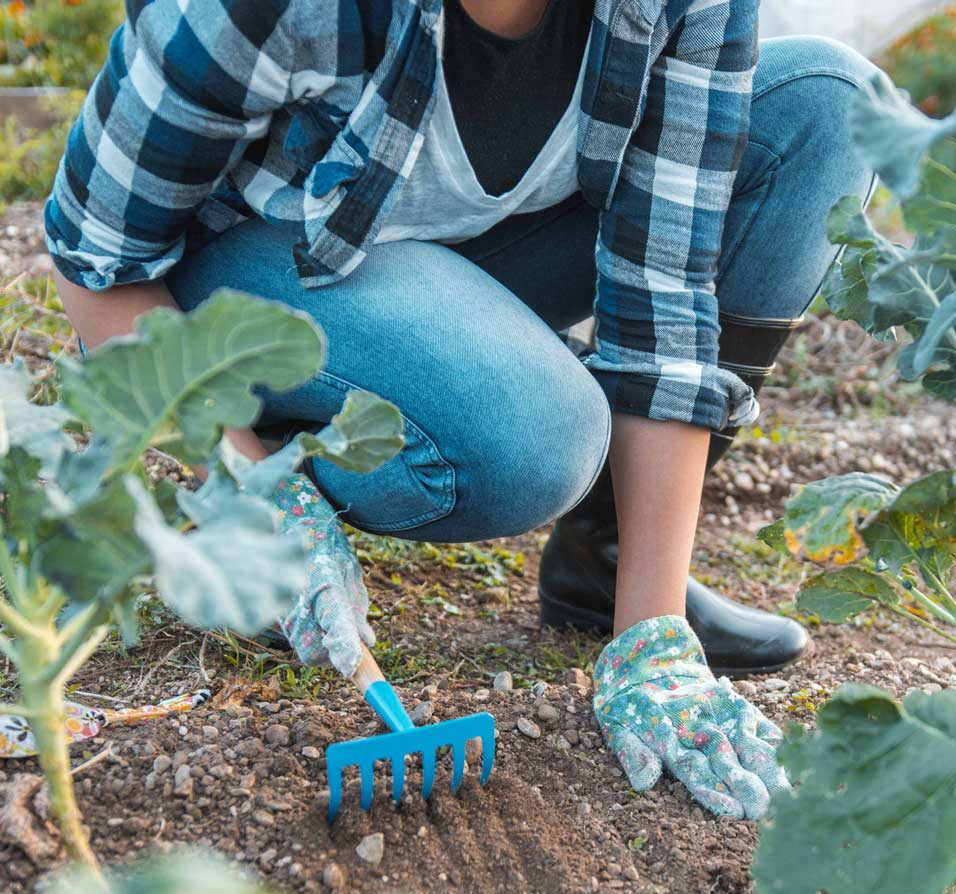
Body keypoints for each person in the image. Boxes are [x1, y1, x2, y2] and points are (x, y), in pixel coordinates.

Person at [44, 0, 879, 820]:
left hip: (460, 256)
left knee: (822, 108)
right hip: (254, 276)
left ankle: (607, 550)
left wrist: (653, 632)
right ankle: (265, 451)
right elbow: (96, 258)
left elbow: (665, 290)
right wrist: (251, 492)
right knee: (534, 435)